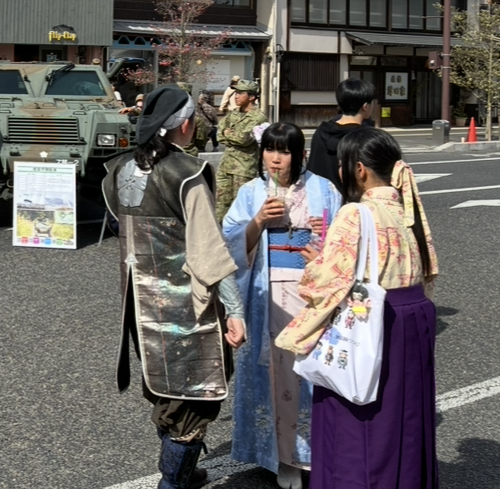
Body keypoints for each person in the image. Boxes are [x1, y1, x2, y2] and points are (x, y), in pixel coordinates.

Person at [275, 128, 440, 489]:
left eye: (343, 164)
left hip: (372, 325)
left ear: (360, 169)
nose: (340, 171)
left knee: (358, 423)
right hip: (412, 319)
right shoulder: (406, 209)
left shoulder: (356, 213)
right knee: (406, 419)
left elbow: (327, 282)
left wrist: (316, 264)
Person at [102, 85, 247, 489]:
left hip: (139, 303)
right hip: (186, 306)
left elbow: (118, 227)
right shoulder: (187, 173)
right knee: (195, 396)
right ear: (184, 125)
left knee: (164, 386)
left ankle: (184, 472)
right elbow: (209, 251)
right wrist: (235, 311)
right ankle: (173, 482)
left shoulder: (117, 169)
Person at [222, 123, 342, 489]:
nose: (276, 159)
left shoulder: (324, 189)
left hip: (310, 293)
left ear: (300, 155)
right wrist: (258, 221)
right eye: (270, 150)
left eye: (285, 151)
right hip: (267, 290)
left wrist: (324, 241)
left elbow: (342, 243)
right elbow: (229, 243)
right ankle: (283, 456)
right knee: (277, 374)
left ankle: (315, 451)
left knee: (309, 373)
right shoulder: (250, 192)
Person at [307, 78, 377, 195]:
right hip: (351, 202)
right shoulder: (364, 138)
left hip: (319, 198)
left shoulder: (321, 131)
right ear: (365, 106)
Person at [215, 79, 268, 220]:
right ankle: (221, 230)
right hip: (226, 165)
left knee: (240, 205)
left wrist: (228, 133)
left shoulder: (258, 117)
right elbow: (219, 134)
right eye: (236, 93)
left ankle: (240, 233)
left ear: (252, 97)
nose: (236, 96)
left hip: (243, 167)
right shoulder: (233, 113)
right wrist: (227, 134)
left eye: (240, 93)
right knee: (220, 204)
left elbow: (244, 139)